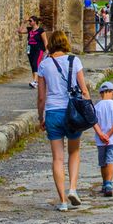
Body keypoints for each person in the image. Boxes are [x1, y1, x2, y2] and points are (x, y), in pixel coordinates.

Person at [37, 31, 90, 211]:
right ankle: (73, 188)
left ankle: (62, 201)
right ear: (65, 43)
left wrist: (40, 117)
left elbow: (41, 97)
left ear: (51, 44)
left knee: (57, 158)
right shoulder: (74, 61)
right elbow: (84, 90)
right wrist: (88, 111)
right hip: (72, 112)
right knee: (74, 153)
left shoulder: (44, 65)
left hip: (53, 112)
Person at [92, 81, 113, 197]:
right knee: (111, 160)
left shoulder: (96, 107)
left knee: (102, 163)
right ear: (112, 92)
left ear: (101, 93)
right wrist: (109, 135)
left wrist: (101, 135)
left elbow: (94, 122)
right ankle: (109, 183)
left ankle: (104, 183)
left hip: (100, 141)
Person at [23, 16, 46, 89]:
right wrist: (24, 23)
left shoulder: (40, 30)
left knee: (35, 63)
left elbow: (45, 41)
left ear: (35, 22)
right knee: (32, 65)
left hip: (38, 49)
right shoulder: (29, 30)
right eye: (29, 21)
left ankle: (35, 81)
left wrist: (46, 50)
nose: (29, 22)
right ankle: (35, 81)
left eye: (30, 21)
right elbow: (20, 31)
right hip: (30, 49)